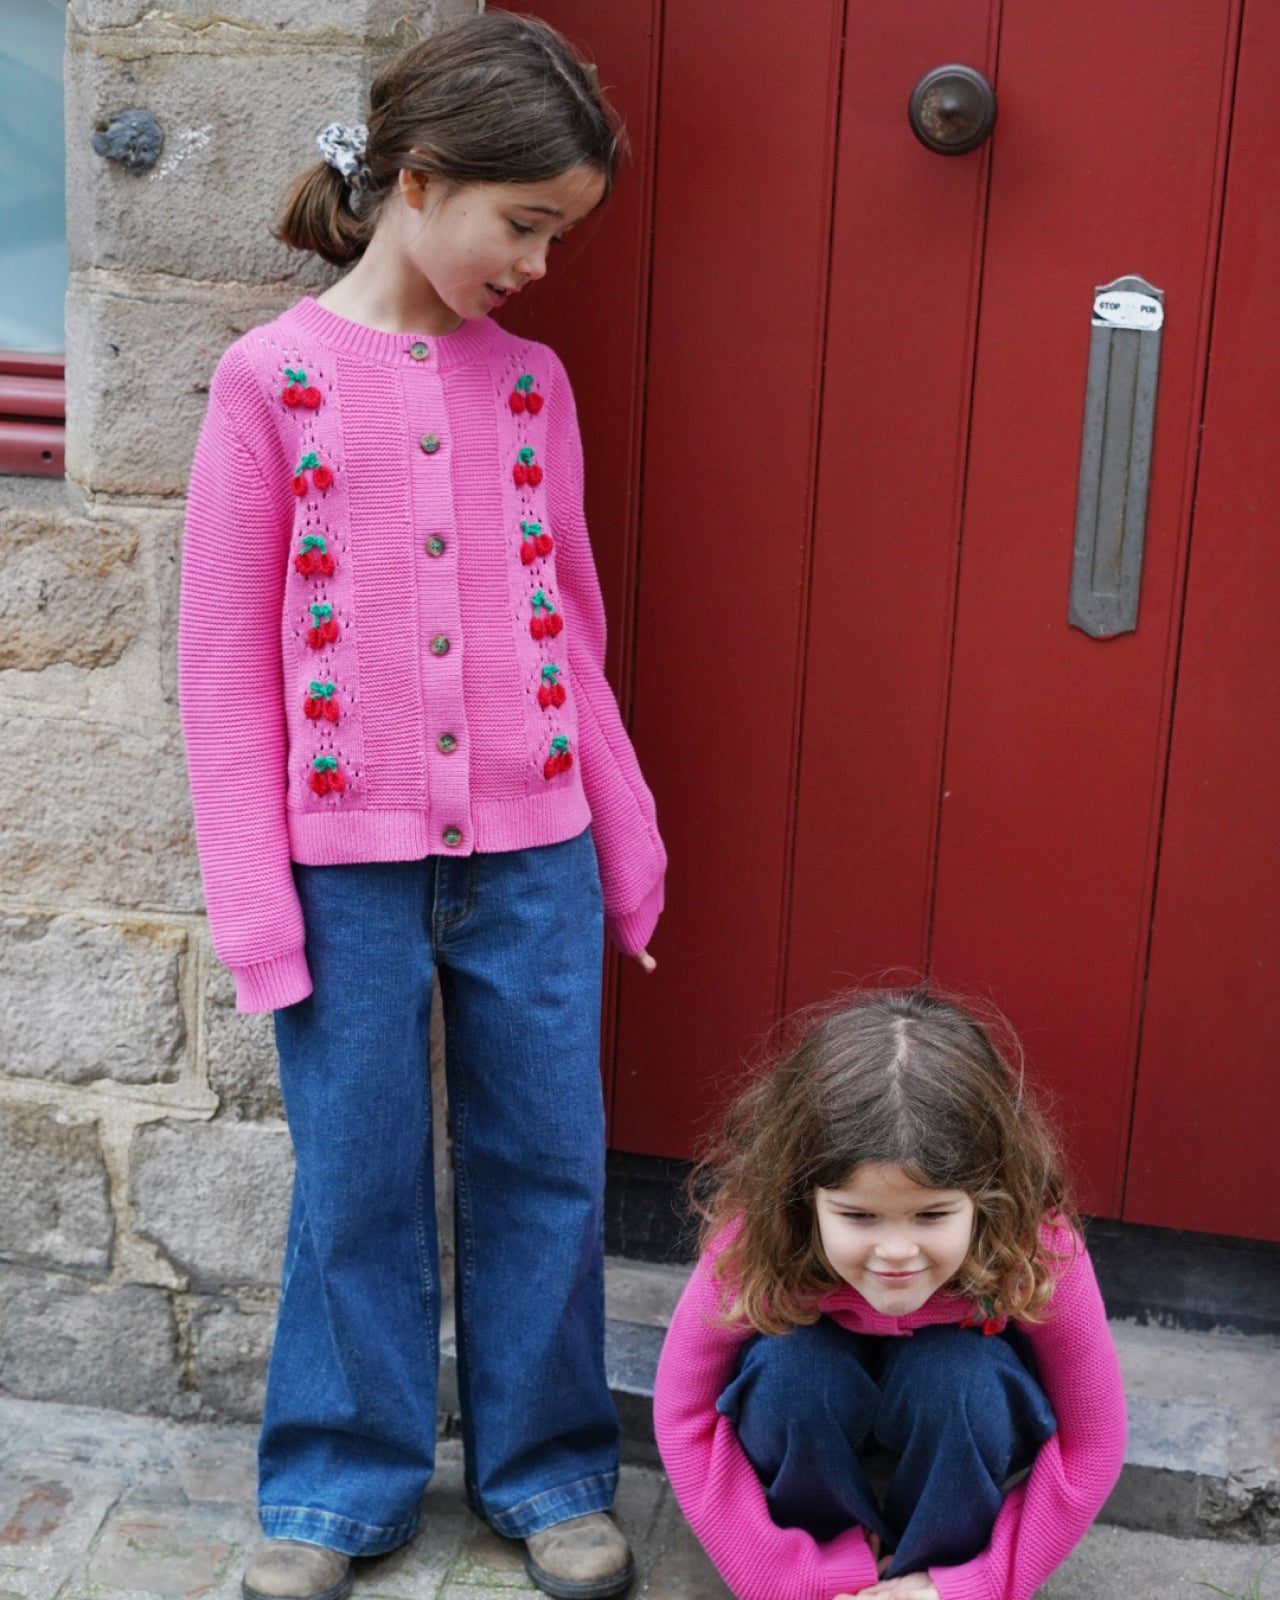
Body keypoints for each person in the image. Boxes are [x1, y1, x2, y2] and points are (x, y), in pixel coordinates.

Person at [177, 15, 665, 1600]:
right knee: (356, 1174)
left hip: (537, 857)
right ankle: (336, 1488)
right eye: (523, 224)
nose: (537, 263)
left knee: (547, 1160)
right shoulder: (272, 383)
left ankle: (547, 1470)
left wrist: (628, 841)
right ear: (423, 180)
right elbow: (222, 670)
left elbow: (567, 629)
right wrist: (256, 906)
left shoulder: (533, 388)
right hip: (347, 874)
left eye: (559, 235)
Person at [653, 989, 1127, 1600]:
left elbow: (1095, 1439)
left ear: (988, 1195)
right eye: (859, 1216)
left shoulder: (1037, 1244)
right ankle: (828, 1567)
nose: (896, 1252)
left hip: (955, 1411)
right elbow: (681, 1412)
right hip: (812, 1406)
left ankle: (922, 1575)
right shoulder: (756, 1239)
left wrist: (971, 1586)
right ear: (803, 1198)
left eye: (931, 1215)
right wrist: (781, 1579)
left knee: (958, 1381)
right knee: (793, 1373)